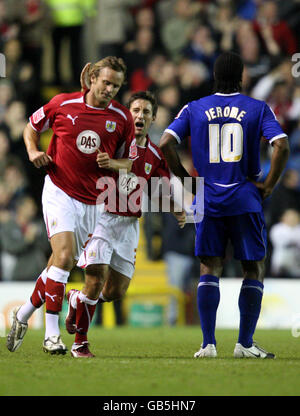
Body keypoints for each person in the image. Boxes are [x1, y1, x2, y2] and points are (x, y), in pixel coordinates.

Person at [159, 51, 289, 358]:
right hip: (245, 197)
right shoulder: (258, 108)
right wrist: (269, 184)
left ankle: (208, 344)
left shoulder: (194, 108)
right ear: (242, 77)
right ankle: (244, 343)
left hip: (209, 198)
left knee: (209, 267)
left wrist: (187, 180)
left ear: (214, 77)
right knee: (253, 267)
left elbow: (165, 142)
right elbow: (281, 145)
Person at [6, 56, 136, 355]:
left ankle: (22, 315)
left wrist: (112, 163)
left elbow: (129, 162)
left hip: (92, 202)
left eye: (116, 86)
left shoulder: (122, 118)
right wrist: (32, 150)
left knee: (55, 266)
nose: (110, 90)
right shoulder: (63, 104)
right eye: (106, 83)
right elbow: (31, 127)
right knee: (63, 258)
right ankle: (51, 336)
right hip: (59, 189)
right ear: (92, 79)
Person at [66, 88, 186, 357]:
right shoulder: (111, 142)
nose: (140, 115)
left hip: (129, 226)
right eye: (135, 110)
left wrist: (175, 209)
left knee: (114, 292)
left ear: (153, 119)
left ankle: (76, 298)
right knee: (95, 280)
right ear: (126, 115)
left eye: (146, 112)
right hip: (101, 218)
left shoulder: (155, 156)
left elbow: (157, 191)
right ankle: (80, 343)